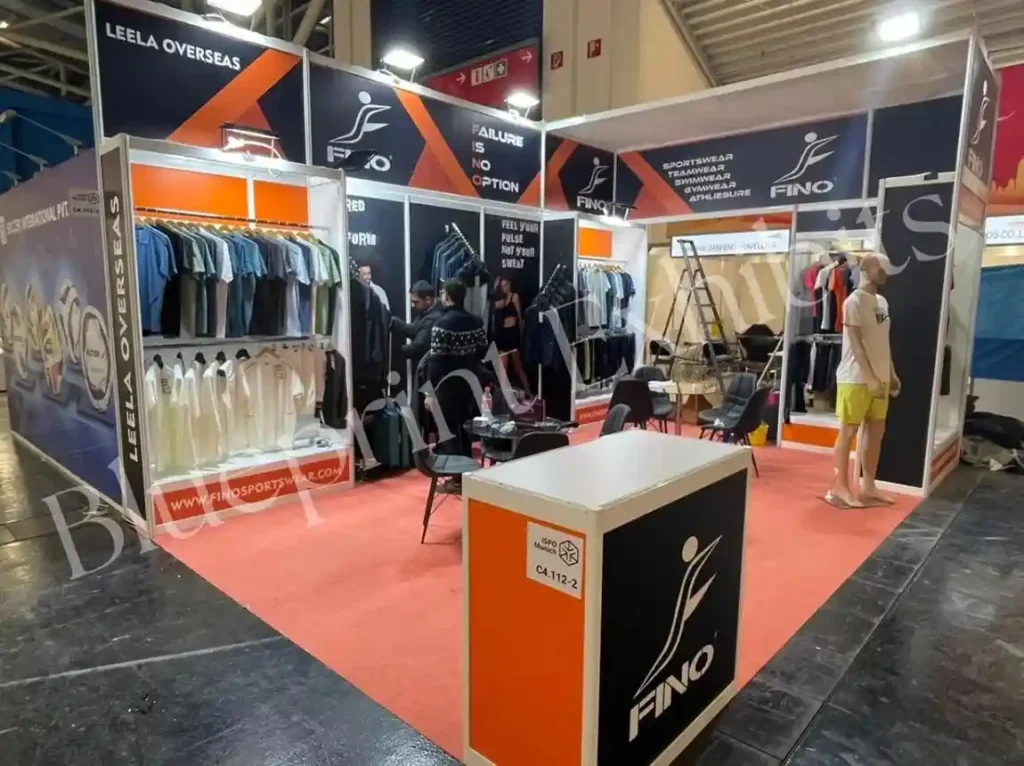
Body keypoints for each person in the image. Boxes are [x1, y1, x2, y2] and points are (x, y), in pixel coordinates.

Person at [828, 253, 901, 508]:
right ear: (866, 269)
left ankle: (868, 485)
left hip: (880, 377)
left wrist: (890, 373)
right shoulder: (853, 302)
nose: (885, 274)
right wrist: (869, 377)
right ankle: (841, 486)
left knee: (876, 432)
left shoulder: (882, 302)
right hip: (855, 378)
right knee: (848, 432)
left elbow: (882, 341)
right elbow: (856, 344)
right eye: (881, 268)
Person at [426, 278, 491, 458]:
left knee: (449, 432)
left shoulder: (441, 325)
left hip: (447, 386)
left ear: (447, 296)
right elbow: (483, 351)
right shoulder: (476, 321)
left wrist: (430, 393)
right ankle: (465, 468)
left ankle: (455, 472)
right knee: (465, 430)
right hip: (470, 384)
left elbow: (436, 361)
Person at [491, 276, 532, 396]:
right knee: (503, 368)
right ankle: (502, 397)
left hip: (513, 335)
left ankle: (529, 392)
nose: (506, 287)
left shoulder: (515, 297)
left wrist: (521, 332)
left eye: (507, 285)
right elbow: (498, 306)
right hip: (502, 336)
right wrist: (498, 290)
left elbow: (519, 316)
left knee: (518, 366)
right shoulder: (498, 299)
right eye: (503, 286)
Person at [391, 281, 444, 371]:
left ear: (427, 299)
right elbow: (416, 330)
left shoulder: (433, 318)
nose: (413, 305)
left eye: (416, 302)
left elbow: (417, 348)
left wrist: (394, 349)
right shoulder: (426, 313)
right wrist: (395, 323)